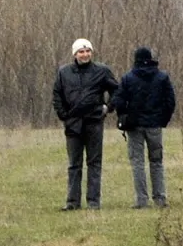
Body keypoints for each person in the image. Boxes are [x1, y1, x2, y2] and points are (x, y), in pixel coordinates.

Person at [51, 38, 117, 210]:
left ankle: (93, 202)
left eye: (88, 51)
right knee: (74, 164)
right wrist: (63, 115)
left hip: (94, 122)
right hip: (73, 123)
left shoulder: (102, 71)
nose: (85, 54)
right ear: (75, 54)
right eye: (81, 51)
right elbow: (57, 94)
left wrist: (108, 108)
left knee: (94, 163)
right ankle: (72, 202)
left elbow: (117, 90)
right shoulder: (64, 72)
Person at [112, 46, 176, 209]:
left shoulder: (128, 78)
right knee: (156, 162)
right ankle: (160, 198)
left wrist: (124, 116)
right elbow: (170, 102)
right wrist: (163, 120)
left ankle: (142, 200)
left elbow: (118, 100)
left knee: (138, 162)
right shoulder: (162, 77)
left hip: (134, 126)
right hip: (155, 125)